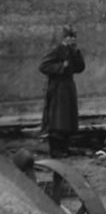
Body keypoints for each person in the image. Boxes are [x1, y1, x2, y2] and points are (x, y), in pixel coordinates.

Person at [39, 25, 85, 157]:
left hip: (69, 85)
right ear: (64, 38)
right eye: (70, 37)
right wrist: (60, 66)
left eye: (74, 37)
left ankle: (65, 147)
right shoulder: (57, 49)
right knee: (58, 119)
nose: (72, 39)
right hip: (58, 87)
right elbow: (43, 66)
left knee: (69, 119)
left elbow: (80, 68)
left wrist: (77, 54)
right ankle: (56, 150)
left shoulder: (73, 50)